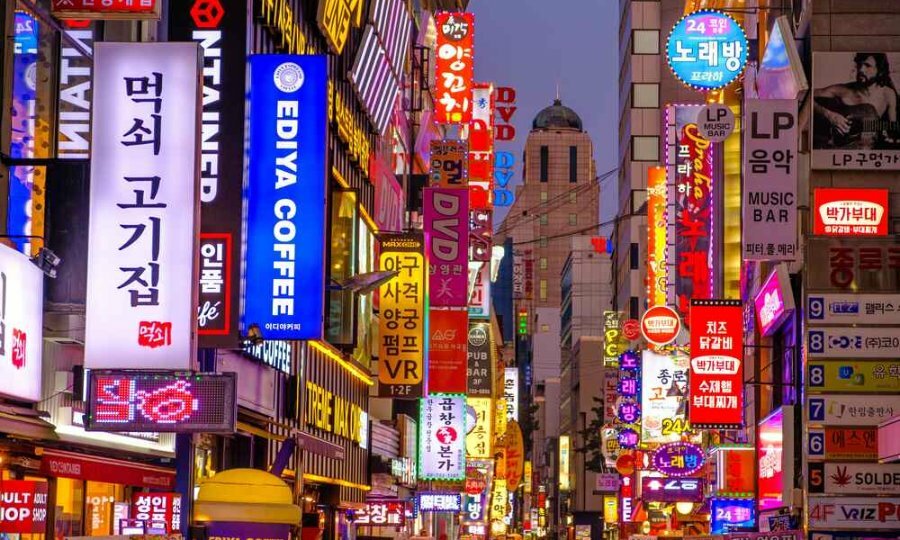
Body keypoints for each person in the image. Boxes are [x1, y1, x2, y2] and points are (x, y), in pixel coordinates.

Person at [813, 53, 899, 149]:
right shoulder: (842, 90)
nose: (861, 69)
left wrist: (889, 134)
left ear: (880, 71)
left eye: (867, 66)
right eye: (859, 64)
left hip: (866, 151)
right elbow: (804, 96)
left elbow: (892, 127)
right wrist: (830, 115)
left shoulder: (888, 94)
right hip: (836, 148)